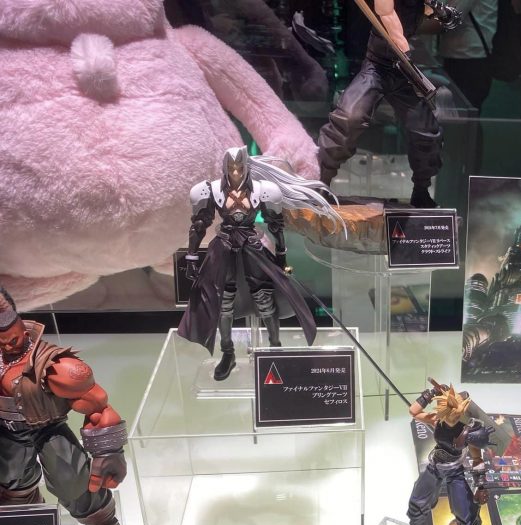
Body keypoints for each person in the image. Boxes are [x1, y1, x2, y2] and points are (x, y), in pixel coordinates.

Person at [0, 285, 131, 525]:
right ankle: (21, 518)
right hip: (7, 432)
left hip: (47, 427)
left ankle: (101, 524)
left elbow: (98, 406)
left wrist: (109, 452)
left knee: (70, 475)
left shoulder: (56, 365)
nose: (8, 345)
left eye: (12, 338)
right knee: (10, 476)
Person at [179, 147, 342, 381]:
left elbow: (275, 224)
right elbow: (198, 226)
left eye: (240, 167)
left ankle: (275, 350)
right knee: (223, 302)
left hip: (252, 247)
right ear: (224, 168)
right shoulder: (210, 190)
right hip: (223, 248)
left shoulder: (263, 189)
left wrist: (282, 255)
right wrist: (192, 257)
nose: (236, 172)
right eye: (231, 168)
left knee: (264, 299)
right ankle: (228, 353)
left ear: (246, 166)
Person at [317, 0, 461, 208]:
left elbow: (428, 10)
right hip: (376, 67)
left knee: (426, 132)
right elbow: (385, 12)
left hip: (402, 71)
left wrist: (442, 13)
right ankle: (320, 183)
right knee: (349, 117)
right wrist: (403, 48)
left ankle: (421, 191)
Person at [387, 384, 494, 525]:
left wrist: (481, 485)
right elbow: (413, 412)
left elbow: (477, 459)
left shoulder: (468, 431)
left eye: (456, 412)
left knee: (467, 517)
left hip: (455, 473)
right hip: (435, 467)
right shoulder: (437, 420)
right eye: (449, 411)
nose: (453, 415)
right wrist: (430, 393)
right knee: (417, 504)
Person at [434, 0, 499, 110]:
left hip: (468, 59)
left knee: (463, 112)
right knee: (462, 110)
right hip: (469, 55)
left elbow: (448, 18)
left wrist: (410, 27)